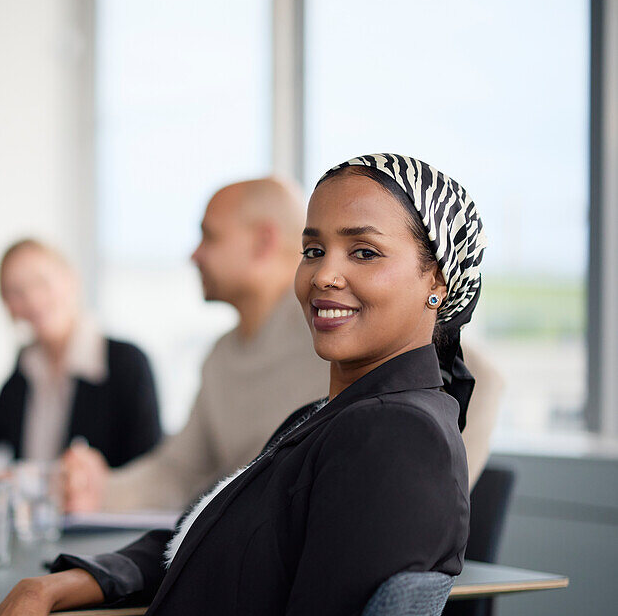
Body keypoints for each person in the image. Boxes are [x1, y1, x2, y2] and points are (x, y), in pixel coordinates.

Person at [0, 153, 484, 616]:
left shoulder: (395, 439)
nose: (324, 274)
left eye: (364, 252)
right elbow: (205, 534)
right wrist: (47, 588)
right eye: (314, 250)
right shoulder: (324, 418)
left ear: (436, 278)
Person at [62, 180, 502, 513]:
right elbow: (180, 471)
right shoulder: (221, 356)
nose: (194, 255)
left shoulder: (341, 329)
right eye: (313, 251)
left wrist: (430, 503)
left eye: (209, 237)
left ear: (264, 242)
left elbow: (480, 378)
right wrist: (100, 488)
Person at [0, 239, 161, 471]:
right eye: (15, 291)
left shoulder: (126, 365)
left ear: (71, 280)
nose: (32, 299)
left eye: (41, 283)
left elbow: (148, 472)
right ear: (6, 306)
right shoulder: (25, 371)